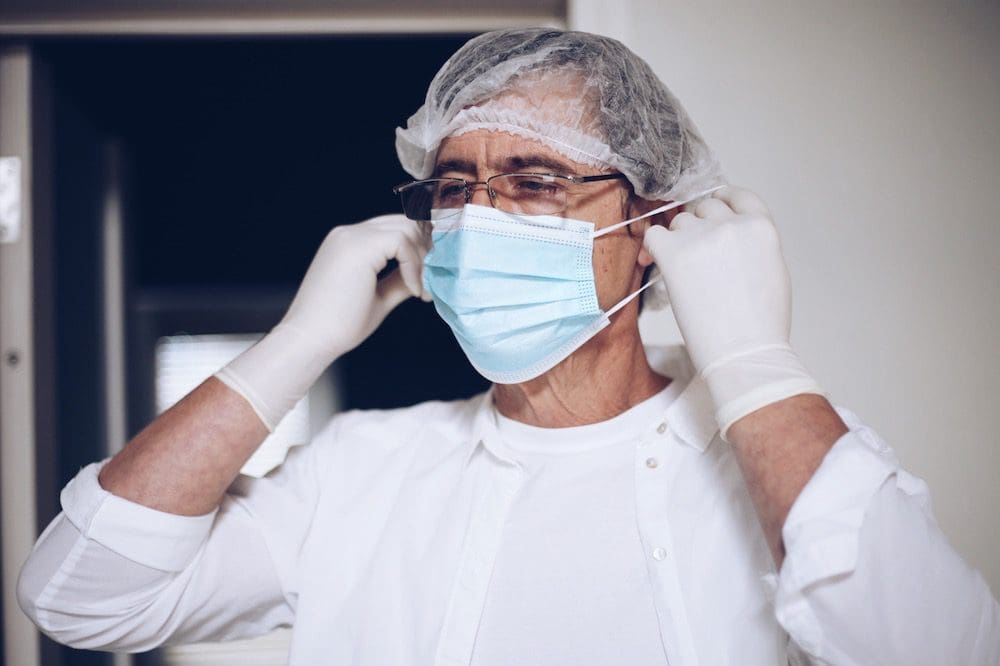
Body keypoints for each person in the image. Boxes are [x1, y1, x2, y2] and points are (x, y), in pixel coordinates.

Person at [17, 27, 999, 665]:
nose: (478, 219)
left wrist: (751, 363)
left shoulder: (774, 465)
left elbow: (935, 651)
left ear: (650, 221)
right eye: (454, 187)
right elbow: (80, 597)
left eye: (533, 180)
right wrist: (295, 343)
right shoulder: (367, 468)